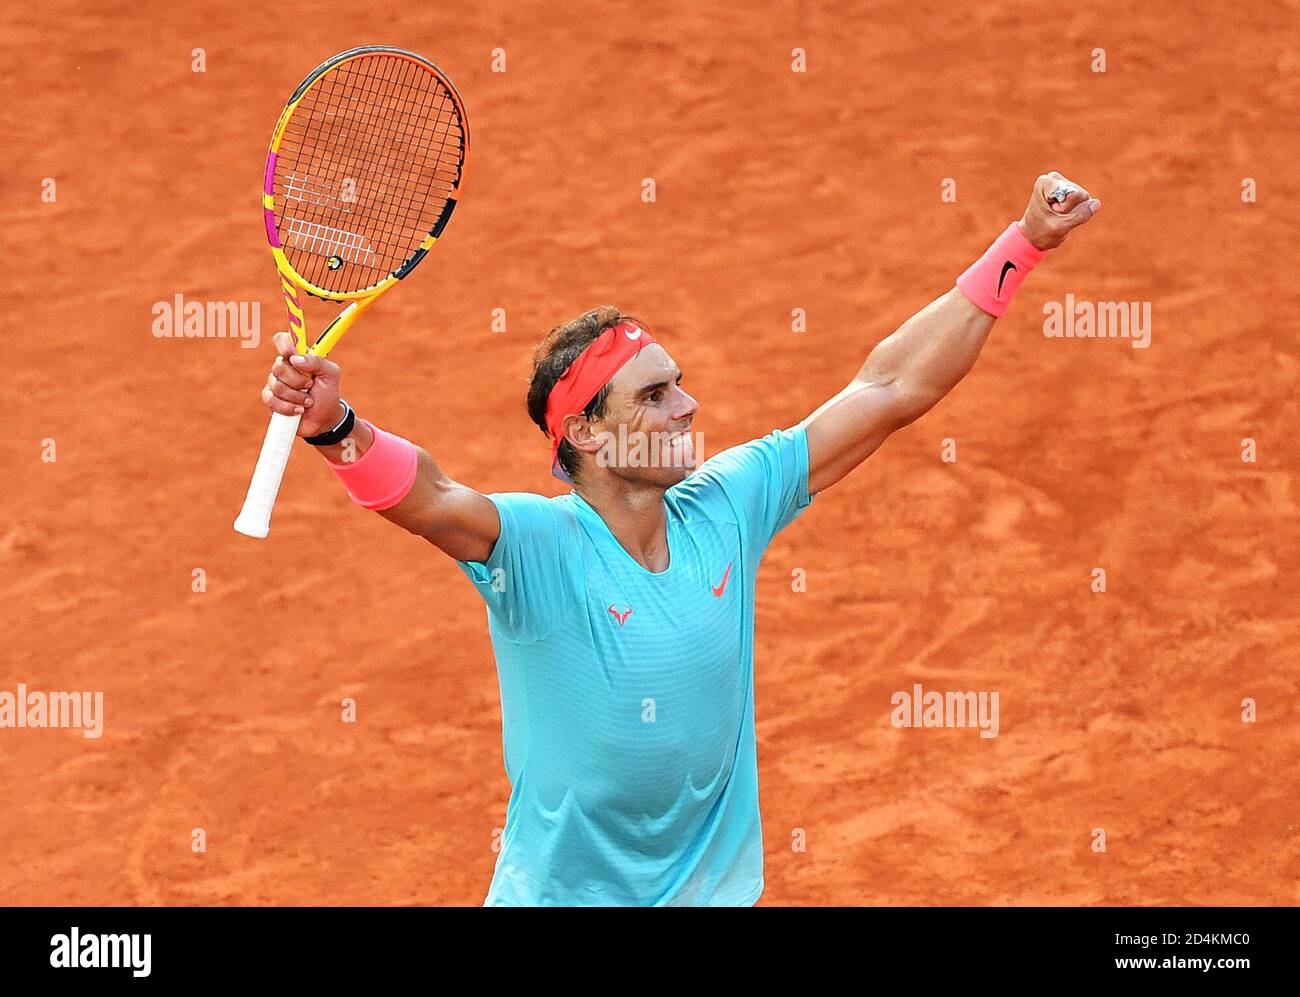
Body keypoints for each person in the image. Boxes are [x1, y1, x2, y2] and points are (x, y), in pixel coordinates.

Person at [257, 172, 1100, 905]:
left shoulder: (727, 504)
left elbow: (889, 386)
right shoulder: (539, 548)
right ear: (586, 435)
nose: (687, 406)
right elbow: (432, 497)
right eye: (654, 396)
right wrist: (335, 426)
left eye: (679, 385)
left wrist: (1021, 245)